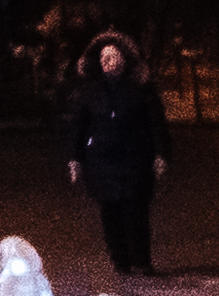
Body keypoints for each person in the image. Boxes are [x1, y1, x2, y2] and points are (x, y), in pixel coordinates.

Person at [57, 32, 168, 278]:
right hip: (101, 161)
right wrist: (74, 159)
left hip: (135, 158)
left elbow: (156, 123)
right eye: (103, 56)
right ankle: (121, 262)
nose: (107, 61)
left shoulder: (141, 89)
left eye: (112, 56)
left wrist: (160, 154)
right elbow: (78, 126)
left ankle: (142, 260)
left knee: (136, 210)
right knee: (110, 212)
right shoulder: (90, 92)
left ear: (124, 59)